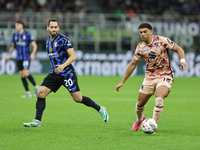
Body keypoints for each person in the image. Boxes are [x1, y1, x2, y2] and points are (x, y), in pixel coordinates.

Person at [23, 19, 109, 127]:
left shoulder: (64, 40)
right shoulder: (47, 41)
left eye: (55, 27)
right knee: (41, 93)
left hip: (67, 73)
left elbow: (73, 56)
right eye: (52, 27)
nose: (54, 29)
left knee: (78, 98)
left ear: (58, 28)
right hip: (55, 73)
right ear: (47, 28)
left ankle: (100, 109)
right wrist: (49, 78)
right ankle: (37, 121)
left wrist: (63, 66)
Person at [115, 22, 187, 132]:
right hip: (149, 77)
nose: (143, 34)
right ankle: (139, 120)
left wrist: (183, 61)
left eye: (145, 32)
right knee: (140, 104)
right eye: (140, 32)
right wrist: (123, 81)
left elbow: (178, 49)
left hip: (165, 75)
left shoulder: (162, 40)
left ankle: (153, 124)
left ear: (151, 32)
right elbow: (133, 64)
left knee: (159, 99)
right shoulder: (140, 47)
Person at [5, 21, 39, 98]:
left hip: (26, 58)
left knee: (26, 74)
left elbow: (34, 45)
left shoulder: (27, 34)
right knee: (21, 75)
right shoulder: (15, 35)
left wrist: (33, 53)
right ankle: (27, 92)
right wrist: (8, 55)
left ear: (22, 25)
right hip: (19, 58)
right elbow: (12, 46)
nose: (16, 26)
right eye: (15, 25)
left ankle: (36, 87)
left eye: (17, 25)